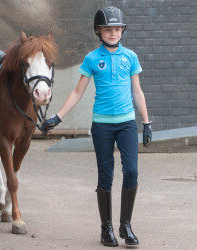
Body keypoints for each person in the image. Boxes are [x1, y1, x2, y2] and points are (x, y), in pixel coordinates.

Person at [41, 6, 152, 247]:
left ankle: (126, 226)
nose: (113, 33)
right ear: (98, 31)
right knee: (106, 176)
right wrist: (57, 118)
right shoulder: (92, 58)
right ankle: (106, 229)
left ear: (122, 31)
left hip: (126, 124)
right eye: (107, 29)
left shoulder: (130, 57)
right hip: (102, 125)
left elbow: (137, 91)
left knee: (131, 172)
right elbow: (78, 91)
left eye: (116, 29)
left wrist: (146, 122)